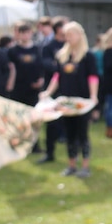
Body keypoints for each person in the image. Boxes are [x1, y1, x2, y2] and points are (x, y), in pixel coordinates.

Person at [39, 21, 99, 178]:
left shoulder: (88, 56)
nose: (68, 38)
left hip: (82, 101)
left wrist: (93, 95)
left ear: (80, 35)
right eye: (66, 35)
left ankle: (85, 166)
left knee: (82, 134)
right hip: (66, 101)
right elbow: (57, 77)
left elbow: (93, 77)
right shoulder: (62, 55)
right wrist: (48, 92)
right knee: (69, 134)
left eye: (71, 34)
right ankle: (71, 164)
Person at [37, 18, 66, 163]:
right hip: (52, 89)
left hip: (68, 89)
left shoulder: (69, 45)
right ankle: (49, 153)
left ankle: (73, 150)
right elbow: (50, 67)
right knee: (51, 122)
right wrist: (62, 66)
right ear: (58, 29)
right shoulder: (49, 46)